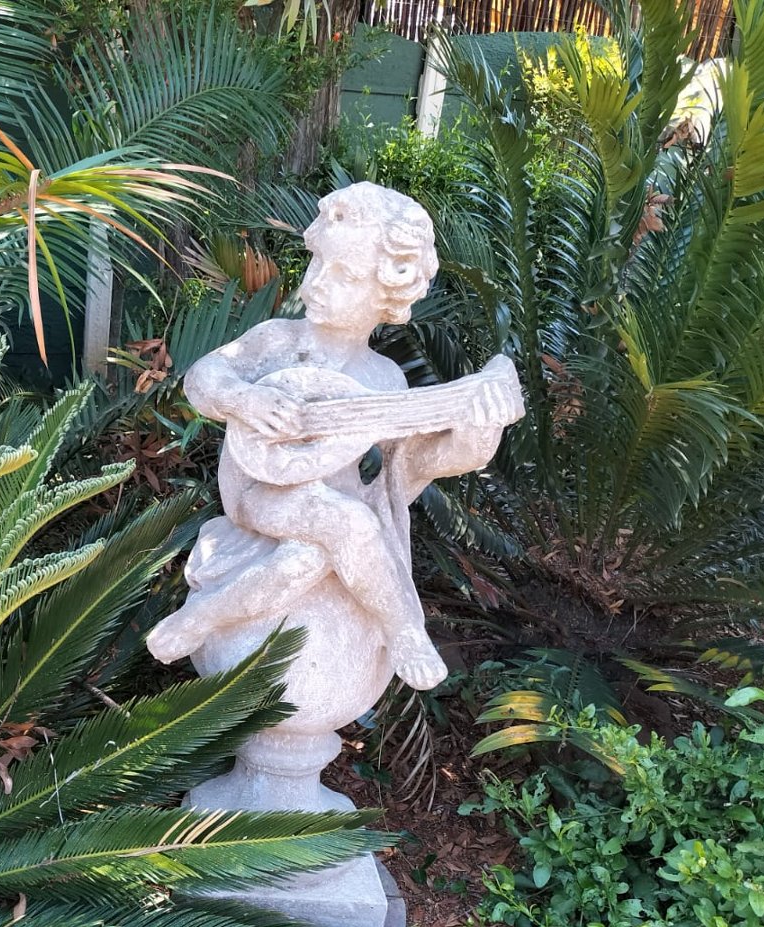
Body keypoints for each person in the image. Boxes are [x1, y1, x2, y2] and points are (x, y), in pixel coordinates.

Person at [147, 183, 522, 690]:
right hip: (260, 493)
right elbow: (204, 378)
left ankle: (202, 617)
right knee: (349, 523)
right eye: (317, 263)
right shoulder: (277, 339)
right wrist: (245, 400)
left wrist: (479, 430)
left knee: (311, 552)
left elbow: (411, 467)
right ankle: (404, 629)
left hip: (329, 509)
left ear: (388, 293)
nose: (318, 283)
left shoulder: (383, 378)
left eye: (344, 274)